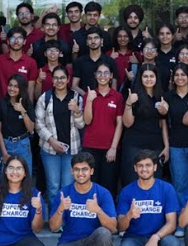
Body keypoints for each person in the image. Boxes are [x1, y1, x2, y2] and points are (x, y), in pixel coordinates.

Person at [49, 152, 118, 246]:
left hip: (93, 243)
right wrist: (60, 209)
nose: (80, 173)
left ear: (91, 171)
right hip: (69, 242)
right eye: (77, 169)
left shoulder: (102, 193)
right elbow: (53, 227)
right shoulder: (64, 193)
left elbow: (113, 227)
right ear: (71, 171)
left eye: (84, 169)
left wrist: (98, 210)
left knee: (104, 233)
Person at [116, 150, 181, 246]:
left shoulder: (166, 189)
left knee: (173, 245)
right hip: (134, 237)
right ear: (135, 168)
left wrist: (156, 237)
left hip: (160, 238)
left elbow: (172, 223)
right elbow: (120, 227)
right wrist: (129, 216)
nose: (144, 169)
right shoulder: (127, 191)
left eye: (148, 165)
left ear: (155, 167)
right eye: (140, 165)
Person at [35, 66, 85, 215]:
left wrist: (77, 111)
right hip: (50, 149)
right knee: (53, 187)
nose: (59, 81)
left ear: (68, 79)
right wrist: (51, 141)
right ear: (52, 80)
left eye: (62, 77)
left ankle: (66, 219)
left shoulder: (76, 98)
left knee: (67, 186)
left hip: (71, 150)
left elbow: (81, 125)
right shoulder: (45, 98)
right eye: (56, 78)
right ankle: (54, 219)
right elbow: (38, 124)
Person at [120, 66, 168, 186]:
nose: (148, 79)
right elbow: (127, 123)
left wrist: (166, 146)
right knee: (132, 182)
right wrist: (128, 104)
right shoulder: (133, 95)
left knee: (154, 183)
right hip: (134, 145)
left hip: (155, 146)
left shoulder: (161, 96)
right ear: (140, 78)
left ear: (156, 78)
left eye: (151, 76)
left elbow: (163, 123)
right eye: (145, 76)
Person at [164, 64, 188, 208]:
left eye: (183, 75)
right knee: (180, 185)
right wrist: (167, 146)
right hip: (176, 146)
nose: (180, 78)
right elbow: (164, 123)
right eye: (177, 75)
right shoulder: (168, 96)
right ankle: (183, 216)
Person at [82, 66, 125, 195]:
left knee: (109, 185)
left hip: (109, 148)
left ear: (111, 75)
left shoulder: (117, 97)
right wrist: (89, 101)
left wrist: (113, 148)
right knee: (91, 185)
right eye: (99, 73)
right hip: (91, 146)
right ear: (95, 75)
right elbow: (87, 121)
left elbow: (120, 123)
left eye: (106, 73)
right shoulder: (88, 95)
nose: (102, 76)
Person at [0, 74, 35, 175]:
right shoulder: (1, 103)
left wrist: (22, 111)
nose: (12, 89)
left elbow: (31, 129)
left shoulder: (27, 103)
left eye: (16, 86)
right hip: (5, 143)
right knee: (2, 178)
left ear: (21, 88)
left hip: (22, 144)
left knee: (24, 176)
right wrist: (4, 152)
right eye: (10, 85)